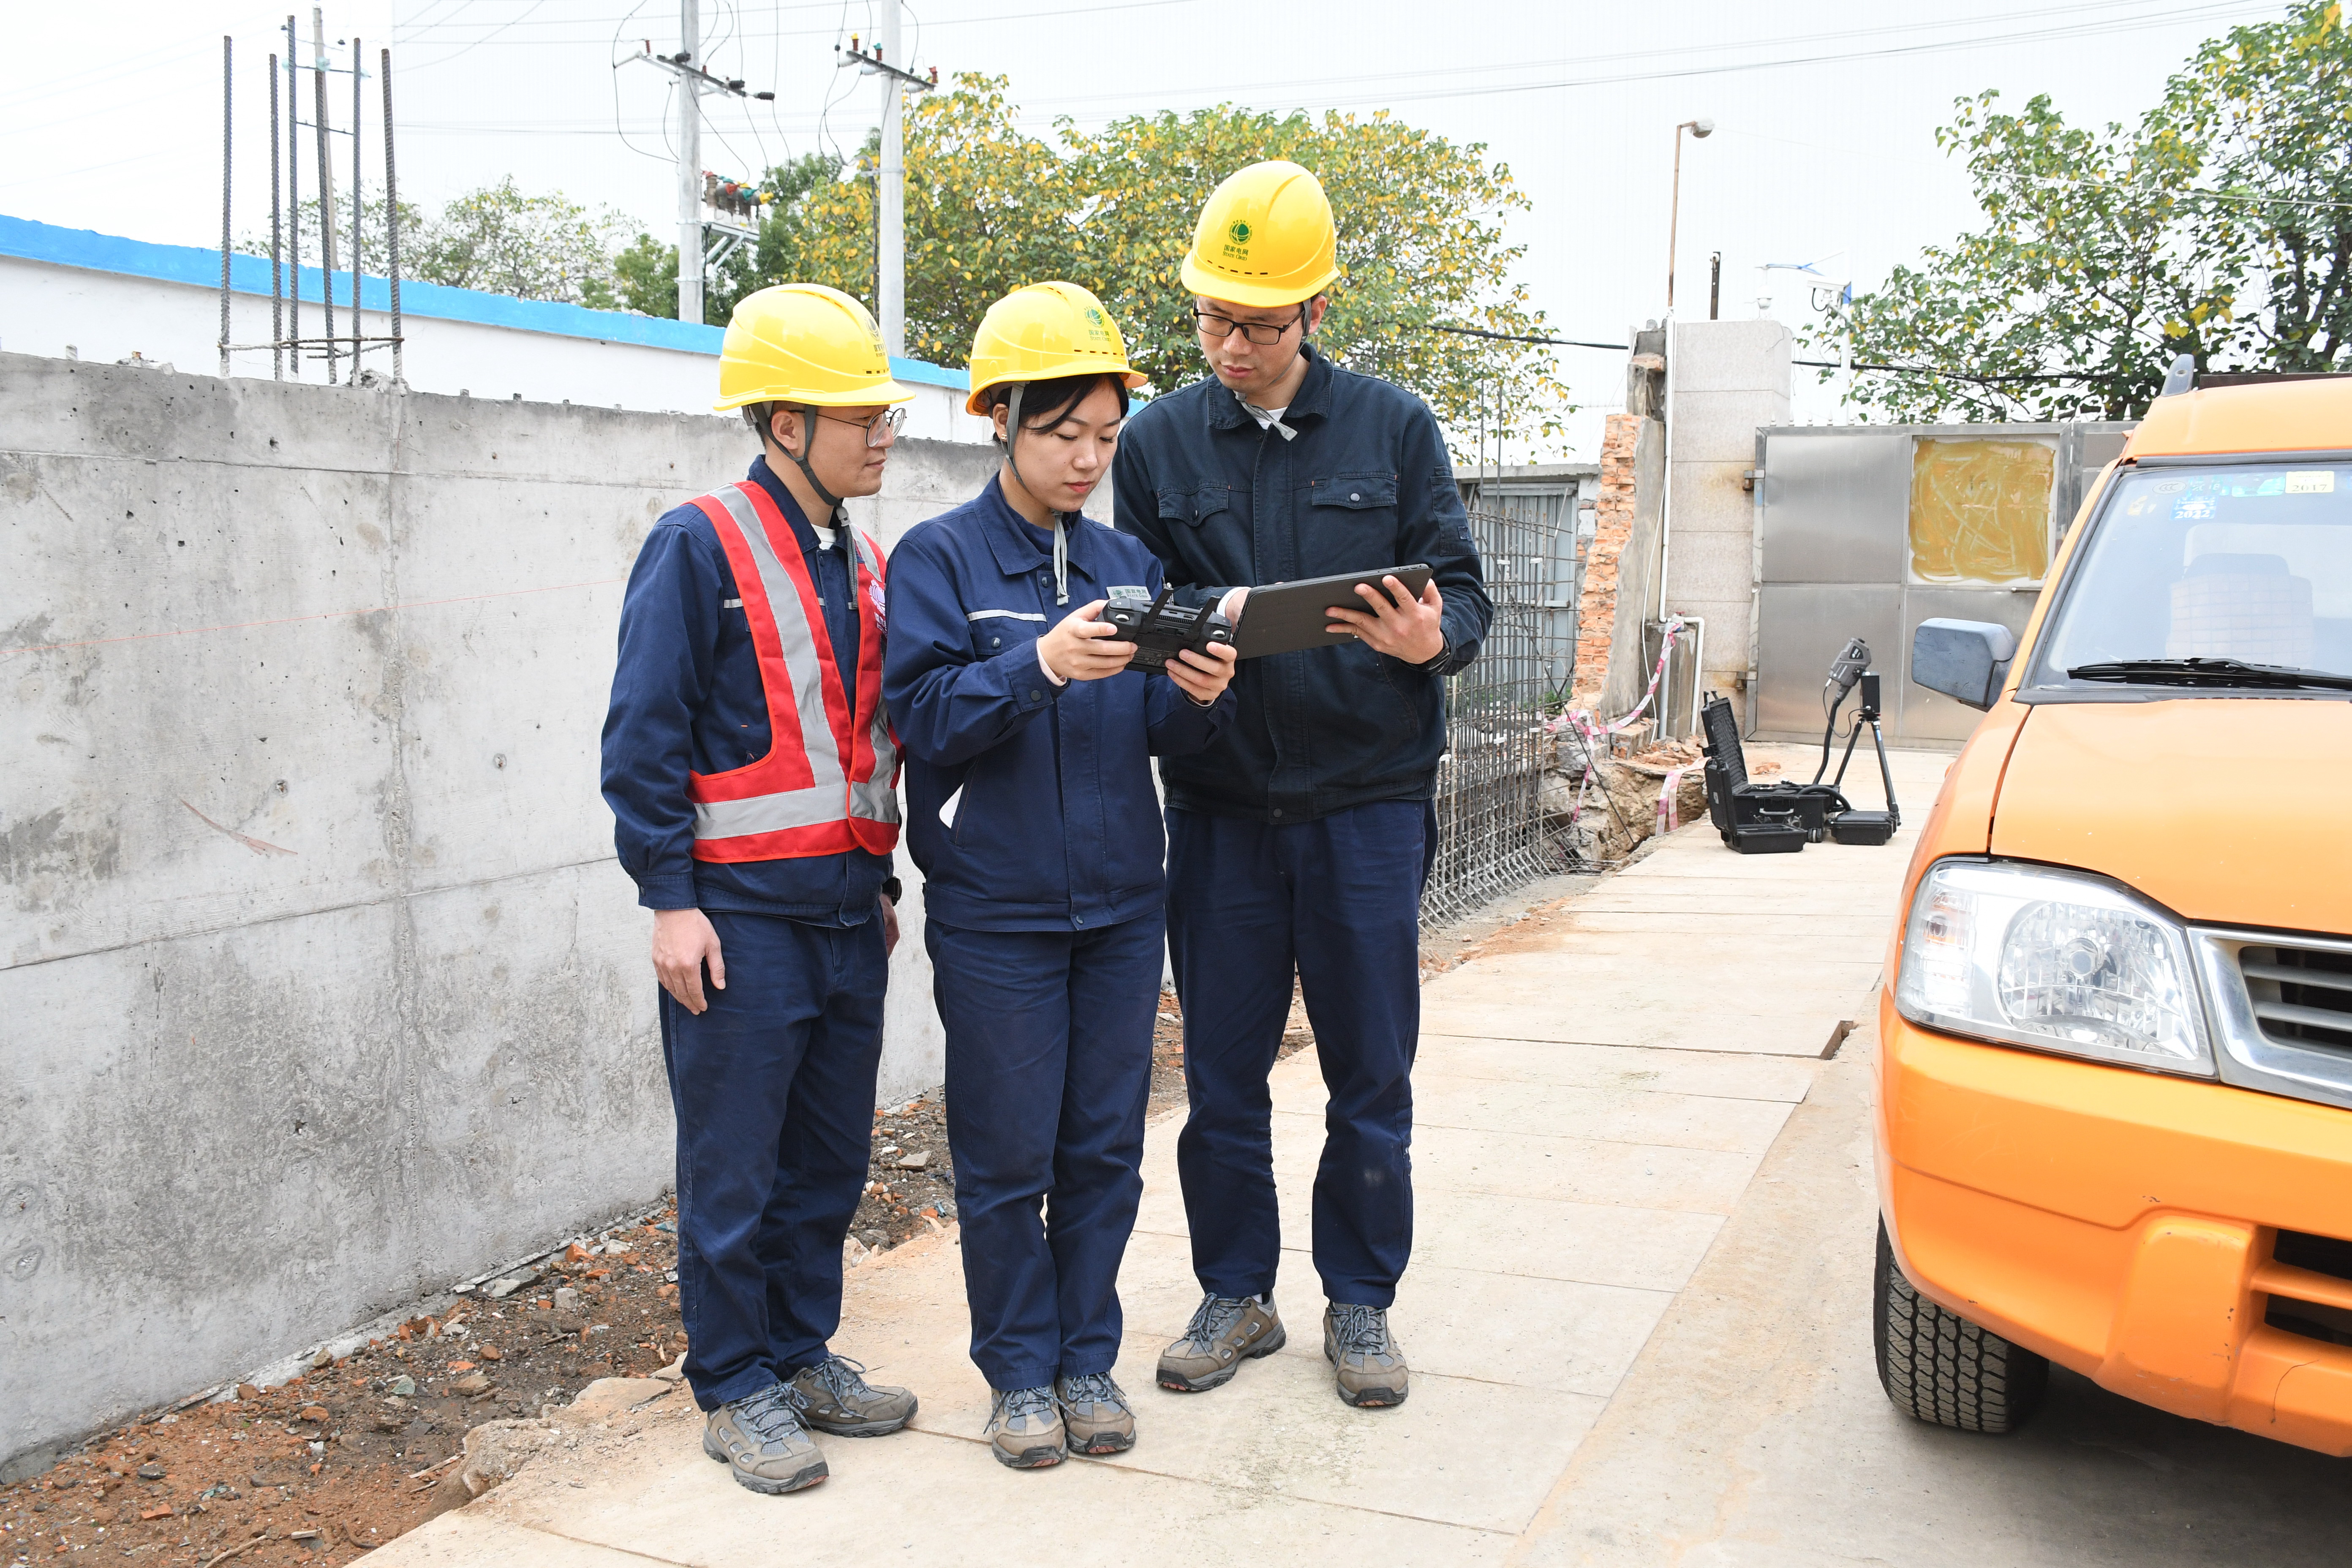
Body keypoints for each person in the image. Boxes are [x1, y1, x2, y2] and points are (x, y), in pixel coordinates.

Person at [1113, 161, 1492, 1410]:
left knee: (1368, 1070)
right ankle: (1236, 1293)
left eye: (1259, 323)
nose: (1229, 344)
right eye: (1213, 318)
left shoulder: (1394, 430)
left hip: (1366, 805)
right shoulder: (1161, 441)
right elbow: (1132, 608)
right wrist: (1184, 653)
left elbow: (1466, 592)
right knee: (1220, 1073)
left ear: (1316, 315)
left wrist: (1428, 641)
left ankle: (1363, 1303)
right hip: (1222, 808)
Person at [883, 282, 1240, 1470]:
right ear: (1001, 423)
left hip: (1122, 906)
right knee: (1004, 1154)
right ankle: (1019, 1372)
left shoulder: (1127, 559)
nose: (1088, 458)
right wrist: (1036, 663)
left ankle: (1087, 1360)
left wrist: (1195, 701)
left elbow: (1153, 734)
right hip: (998, 913)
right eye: (1062, 434)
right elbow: (925, 721)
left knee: (1104, 1146)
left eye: (1104, 436)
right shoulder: (939, 560)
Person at [601, 283, 920, 1496]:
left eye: (885, 413)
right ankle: (736, 1385)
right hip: (734, 923)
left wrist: (878, 877)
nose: (882, 432)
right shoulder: (700, 542)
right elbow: (644, 734)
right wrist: (668, 899)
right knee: (734, 1168)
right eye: (859, 415)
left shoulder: (866, 559)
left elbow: (860, 744)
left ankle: (801, 1353)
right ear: (785, 422)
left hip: (847, 912)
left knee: (829, 1160)